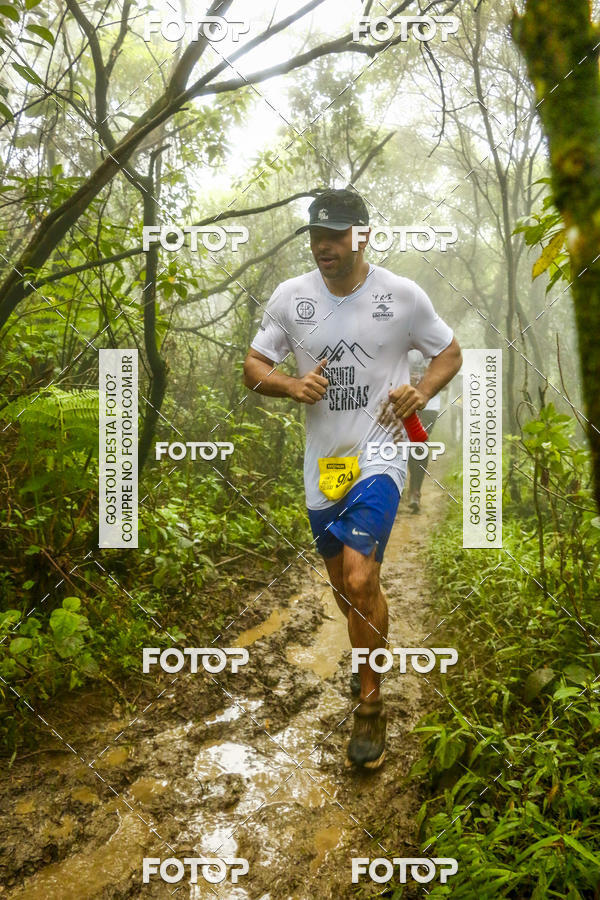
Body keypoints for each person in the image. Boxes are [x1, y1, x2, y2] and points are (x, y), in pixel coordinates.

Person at [243, 188, 462, 770]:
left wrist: (423, 389)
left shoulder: (403, 296)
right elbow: (253, 367)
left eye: (335, 235)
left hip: (381, 455)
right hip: (324, 467)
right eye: (315, 235)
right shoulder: (291, 299)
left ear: (362, 235)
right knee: (347, 592)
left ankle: (370, 704)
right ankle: (373, 637)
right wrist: (289, 385)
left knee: (362, 579)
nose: (322, 247)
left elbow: (449, 354)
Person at [405, 349, 441, 512]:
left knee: (420, 443)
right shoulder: (400, 342)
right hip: (402, 401)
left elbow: (445, 383)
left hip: (429, 405)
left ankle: (415, 491)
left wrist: (428, 382)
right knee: (404, 444)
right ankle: (403, 485)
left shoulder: (437, 347)